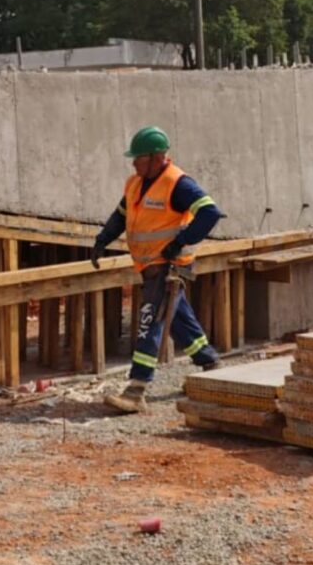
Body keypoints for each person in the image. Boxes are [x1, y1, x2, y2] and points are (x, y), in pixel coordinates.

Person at [91, 126, 222, 414]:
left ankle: (136, 389)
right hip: (149, 265)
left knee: (150, 321)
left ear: (156, 157)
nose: (133, 163)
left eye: (138, 158)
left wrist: (181, 242)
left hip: (168, 266)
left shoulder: (178, 184)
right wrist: (103, 239)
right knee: (177, 318)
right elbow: (121, 214)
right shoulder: (136, 183)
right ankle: (209, 361)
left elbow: (210, 212)